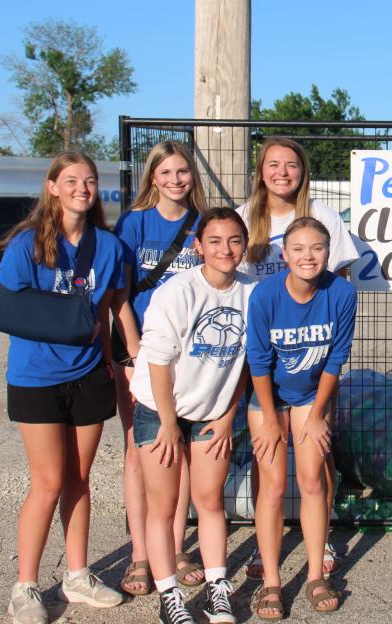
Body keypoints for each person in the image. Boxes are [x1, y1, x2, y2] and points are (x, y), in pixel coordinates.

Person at [0, 152, 125, 624]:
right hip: (36, 376)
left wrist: (117, 362)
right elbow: (11, 310)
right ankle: (25, 586)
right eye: (71, 180)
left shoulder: (108, 247)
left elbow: (112, 308)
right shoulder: (27, 244)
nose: (82, 188)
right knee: (48, 482)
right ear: (52, 187)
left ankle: (77, 574)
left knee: (79, 478)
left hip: (89, 373)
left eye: (89, 180)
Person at [237, 137, 358, 580]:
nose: (282, 172)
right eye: (273, 164)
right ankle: (260, 550)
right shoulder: (245, 213)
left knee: (315, 462)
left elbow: (339, 278)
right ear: (261, 170)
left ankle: (318, 541)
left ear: (303, 170)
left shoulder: (323, 217)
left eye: (291, 164)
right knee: (265, 461)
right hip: (258, 348)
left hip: (309, 352)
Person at [129, 208, 254, 624]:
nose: (225, 249)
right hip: (159, 407)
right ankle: (170, 595)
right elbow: (159, 363)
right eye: (215, 241)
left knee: (208, 500)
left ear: (245, 245)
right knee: (164, 507)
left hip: (211, 411)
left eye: (234, 240)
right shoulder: (178, 291)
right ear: (198, 245)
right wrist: (167, 422)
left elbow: (248, 365)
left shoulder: (252, 294)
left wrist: (228, 414)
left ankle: (218, 586)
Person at [111, 141, 208, 595]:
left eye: (183, 171)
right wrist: (132, 356)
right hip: (144, 353)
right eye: (166, 172)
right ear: (153, 177)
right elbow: (119, 295)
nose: (175, 180)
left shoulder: (203, 224)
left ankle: (176, 548)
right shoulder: (134, 224)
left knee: (181, 450)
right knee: (139, 452)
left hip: (195, 356)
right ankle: (140, 555)